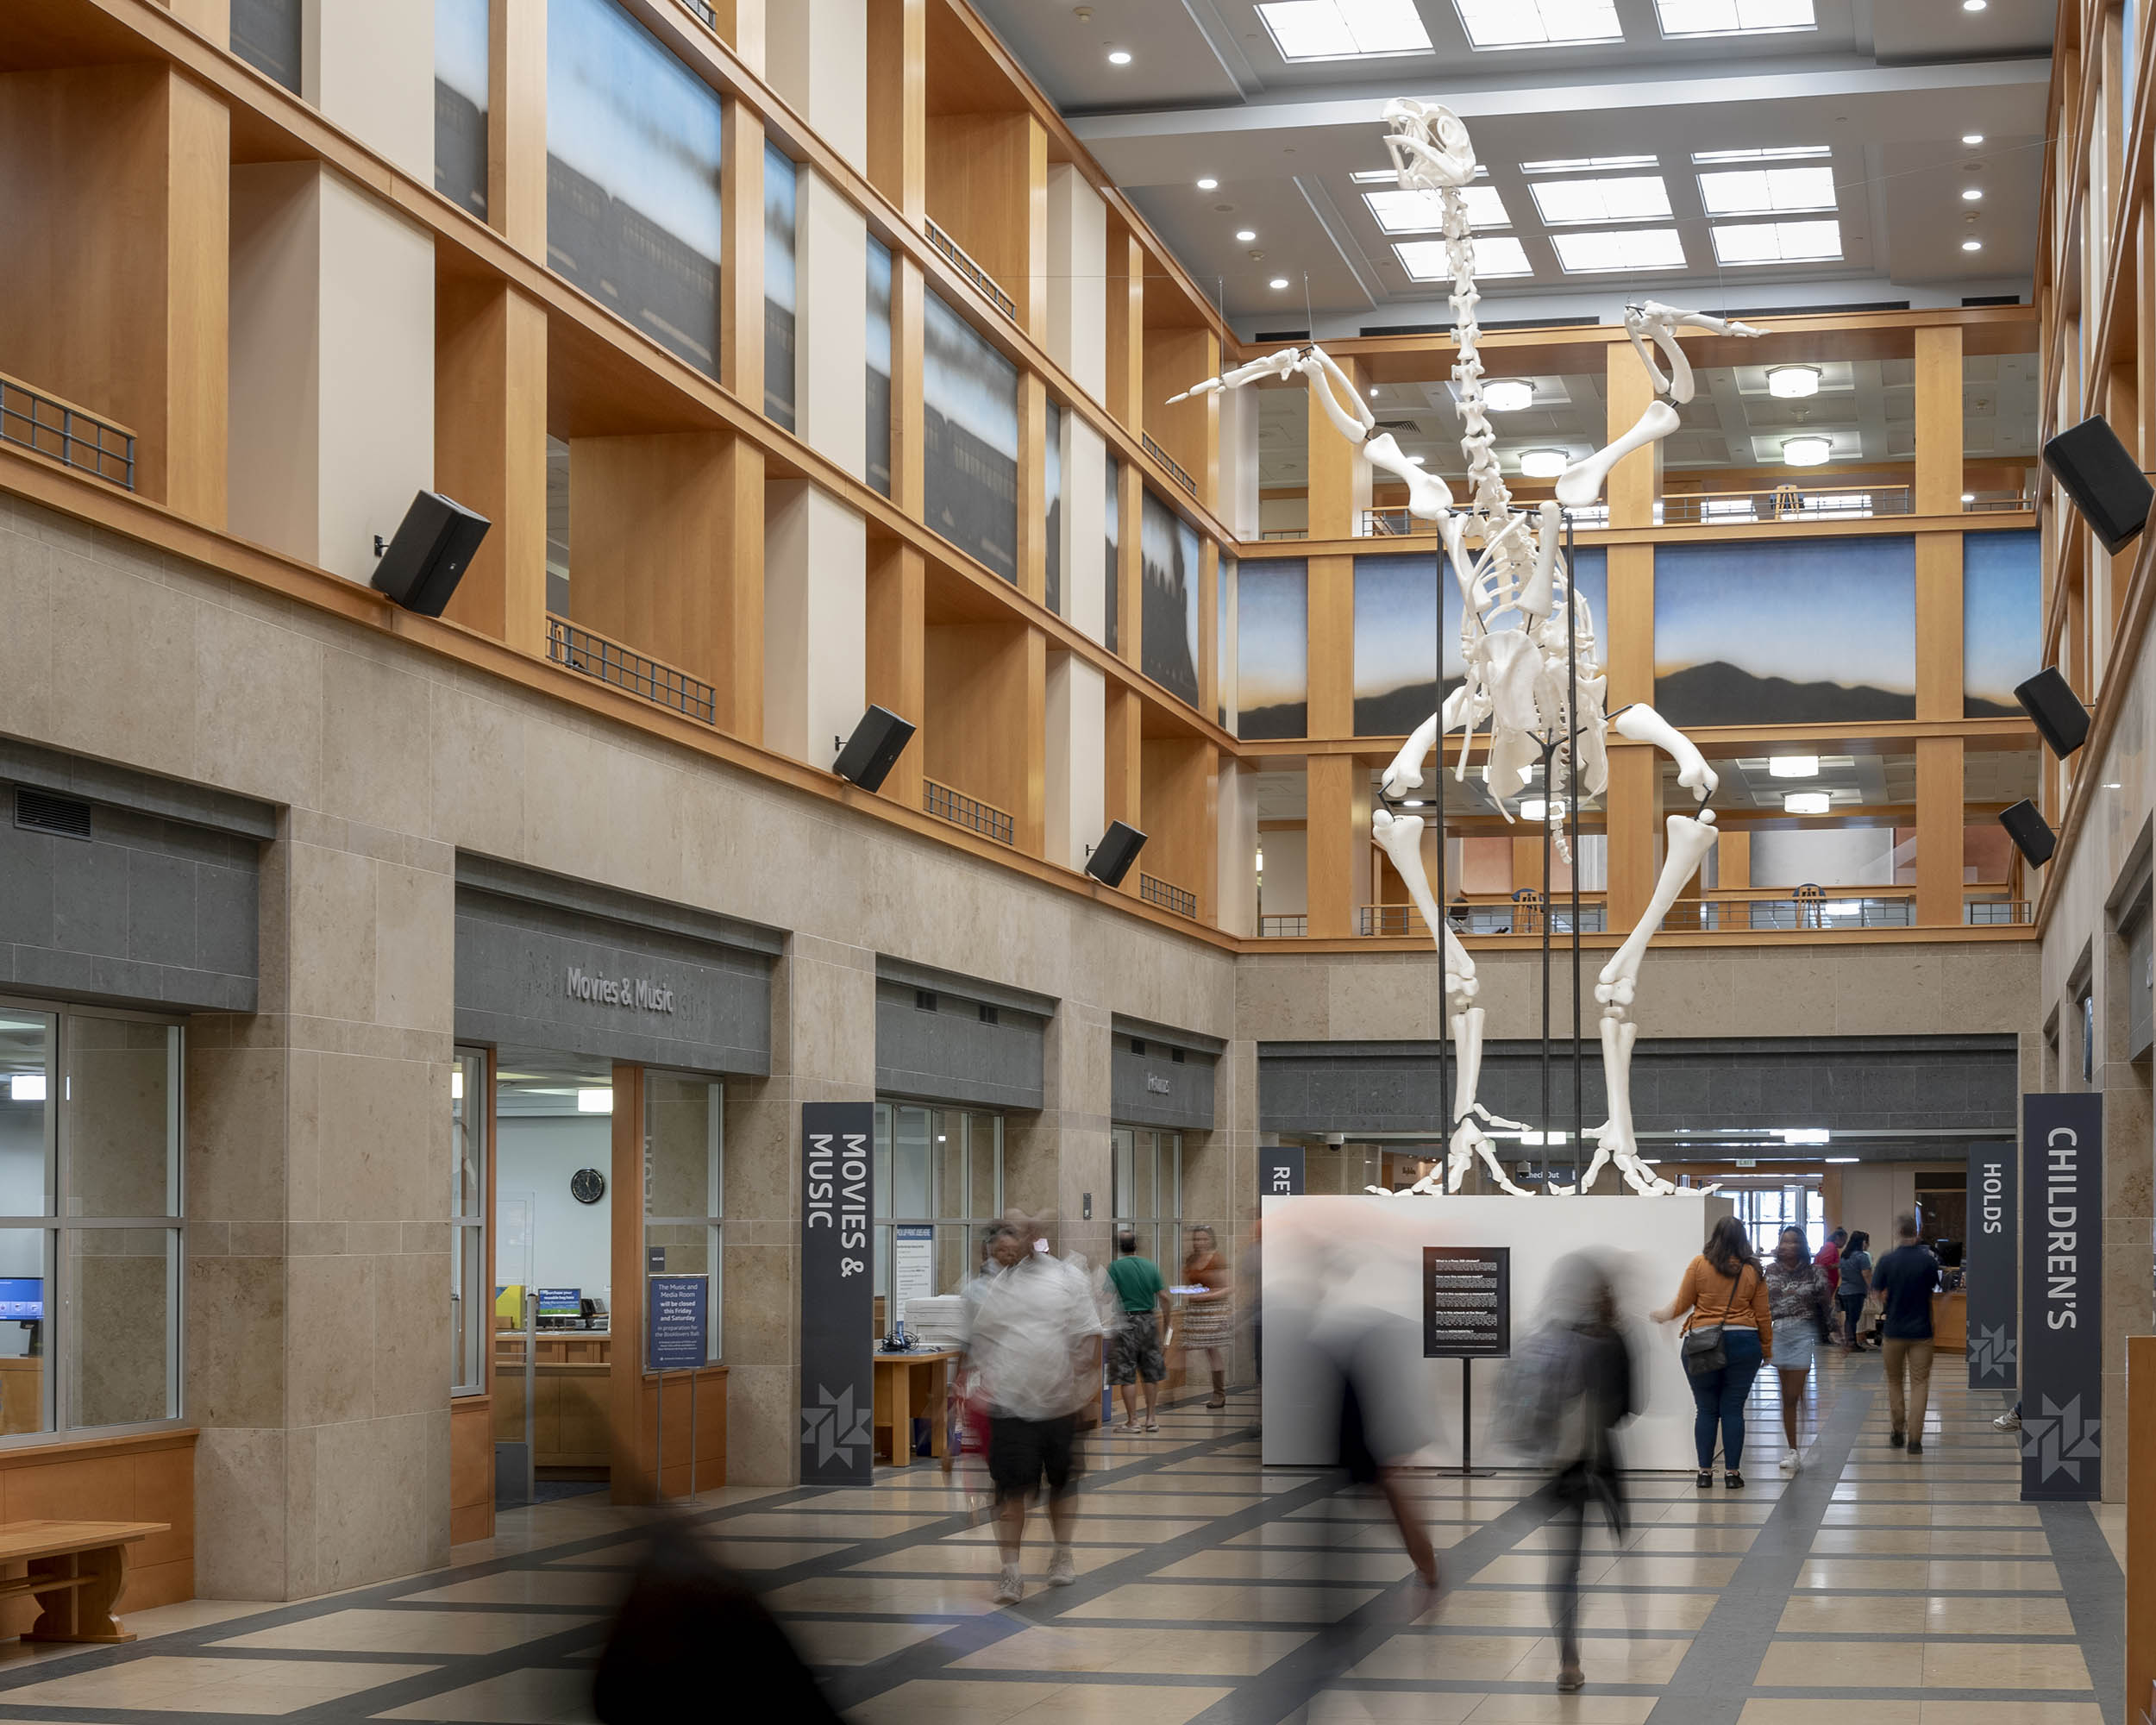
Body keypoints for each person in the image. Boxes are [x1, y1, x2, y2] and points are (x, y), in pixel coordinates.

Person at [957, 1215, 1107, 1603]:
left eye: (1017, 1232)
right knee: (1009, 1493)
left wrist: (1084, 1389)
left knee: (1061, 1485)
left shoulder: (1066, 1279)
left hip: (1058, 1406)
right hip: (1009, 1407)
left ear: (1036, 1237)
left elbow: (1089, 1337)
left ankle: (1061, 1552)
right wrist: (960, 1395)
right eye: (1004, 1233)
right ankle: (1011, 1571)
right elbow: (978, 1342)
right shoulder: (995, 1286)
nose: (1009, 1240)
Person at [1536, 1253, 1637, 1695]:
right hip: (1600, 1461)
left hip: (1557, 1466)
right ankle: (1638, 1636)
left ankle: (1569, 1660)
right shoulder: (1615, 1338)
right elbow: (1628, 1408)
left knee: (1565, 1566)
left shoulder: (1551, 1337)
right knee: (1623, 1550)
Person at [1651, 1214, 1771, 1489]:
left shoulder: (1699, 1264)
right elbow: (1763, 1315)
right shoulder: (1753, 1270)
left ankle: (1704, 1473)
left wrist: (1663, 1315)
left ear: (1714, 1237)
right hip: (1744, 1343)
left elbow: (1683, 1302)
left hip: (1702, 1342)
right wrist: (1766, 1349)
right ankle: (1732, 1474)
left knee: (1706, 1409)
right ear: (1744, 1240)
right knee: (1733, 1409)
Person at [1871, 1214, 1943, 1455]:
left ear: (1898, 1232)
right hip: (1922, 1331)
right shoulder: (1928, 1261)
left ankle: (1897, 1432)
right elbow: (1935, 1290)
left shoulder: (1887, 1260)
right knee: (1920, 1384)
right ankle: (1915, 1440)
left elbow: (1876, 1292)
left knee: (1894, 1382)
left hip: (1894, 1331)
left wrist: (1886, 1301)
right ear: (1918, 1232)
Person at [1762, 1227, 1831, 1473]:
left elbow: (1825, 1304)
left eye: (1793, 1241)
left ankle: (1802, 1435)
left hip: (1803, 1332)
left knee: (1794, 1392)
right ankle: (1793, 1450)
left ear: (1801, 1245)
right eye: (1784, 1241)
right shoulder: (1770, 1271)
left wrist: (1840, 1335)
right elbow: (1762, 1305)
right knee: (1787, 1396)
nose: (1788, 1245)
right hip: (1779, 1332)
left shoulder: (1814, 1272)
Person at [1104, 1228, 1169, 1433]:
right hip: (1149, 1321)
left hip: (1126, 1323)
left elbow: (1105, 1297)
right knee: (1150, 1372)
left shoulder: (1115, 1267)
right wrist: (1167, 1325)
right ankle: (1151, 1419)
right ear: (1136, 1244)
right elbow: (1165, 1297)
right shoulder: (1150, 1266)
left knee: (1126, 1373)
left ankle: (1133, 1421)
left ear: (1118, 1247)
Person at [1181, 1225, 1234, 1409]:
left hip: (1213, 1310)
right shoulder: (1190, 1260)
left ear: (1211, 1239)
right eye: (1197, 1239)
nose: (1200, 1243)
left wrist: (1205, 1295)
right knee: (1188, 1347)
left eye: (1204, 1239)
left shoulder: (1216, 1258)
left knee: (1212, 1350)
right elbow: (1189, 1284)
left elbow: (1228, 1287)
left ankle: (1219, 1393)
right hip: (1196, 1311)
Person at [1838, 1231, 1873, 1352]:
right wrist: (1872, 1289)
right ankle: (1851, 1343)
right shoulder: (1862, 1257)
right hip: (1856, 1291)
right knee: (1853, 1318)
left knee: (1849, 1317)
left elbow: (1840, 1273)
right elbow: (1866, 1275)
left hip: (1844, 1291)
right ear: (1863, 1242)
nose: (1868, 1244)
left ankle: (1849, 1341)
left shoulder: (1844, 1255)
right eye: (1867, 1242)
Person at [1816, 1227, 1845, 1339]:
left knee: (1824, 1310)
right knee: (1824, 1310)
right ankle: (1823, 1335)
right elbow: (1825, 1264)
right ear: (1838, 1238)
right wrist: (1840, 1264)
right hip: (1826, 1283)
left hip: (1827, 1283)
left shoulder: (1829, 1246)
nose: (1844, 1244)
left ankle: (1824, 1335)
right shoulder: (1830, 1247)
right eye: (1843, 1240)